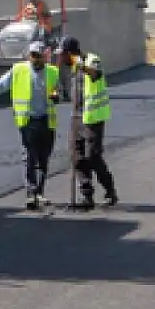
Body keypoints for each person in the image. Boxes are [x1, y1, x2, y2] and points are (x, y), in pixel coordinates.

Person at [0, 41, 61, 209]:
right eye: (33, 55)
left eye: (39, 56)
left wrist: (57, 95)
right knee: (29, 157)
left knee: (44, 158)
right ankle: (31, 193)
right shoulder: (19, 70)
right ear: (29, 55)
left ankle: (40, 193)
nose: (36, 59)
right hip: (28, 122)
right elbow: (0, 85)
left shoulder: (53, 72)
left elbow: (59, 91)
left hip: (46, 121)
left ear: (44, 57)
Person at [63, 36, 118, 210]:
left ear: (71, 53)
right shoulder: (73, 67)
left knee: (93, 157)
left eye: (63, 54)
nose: (61, 58)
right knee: (77, 157)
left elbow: (96, 73)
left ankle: (110, 191)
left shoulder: (92, 60)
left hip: (93, 118)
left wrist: (83, 67)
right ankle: (87, 196)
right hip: (77, 117)